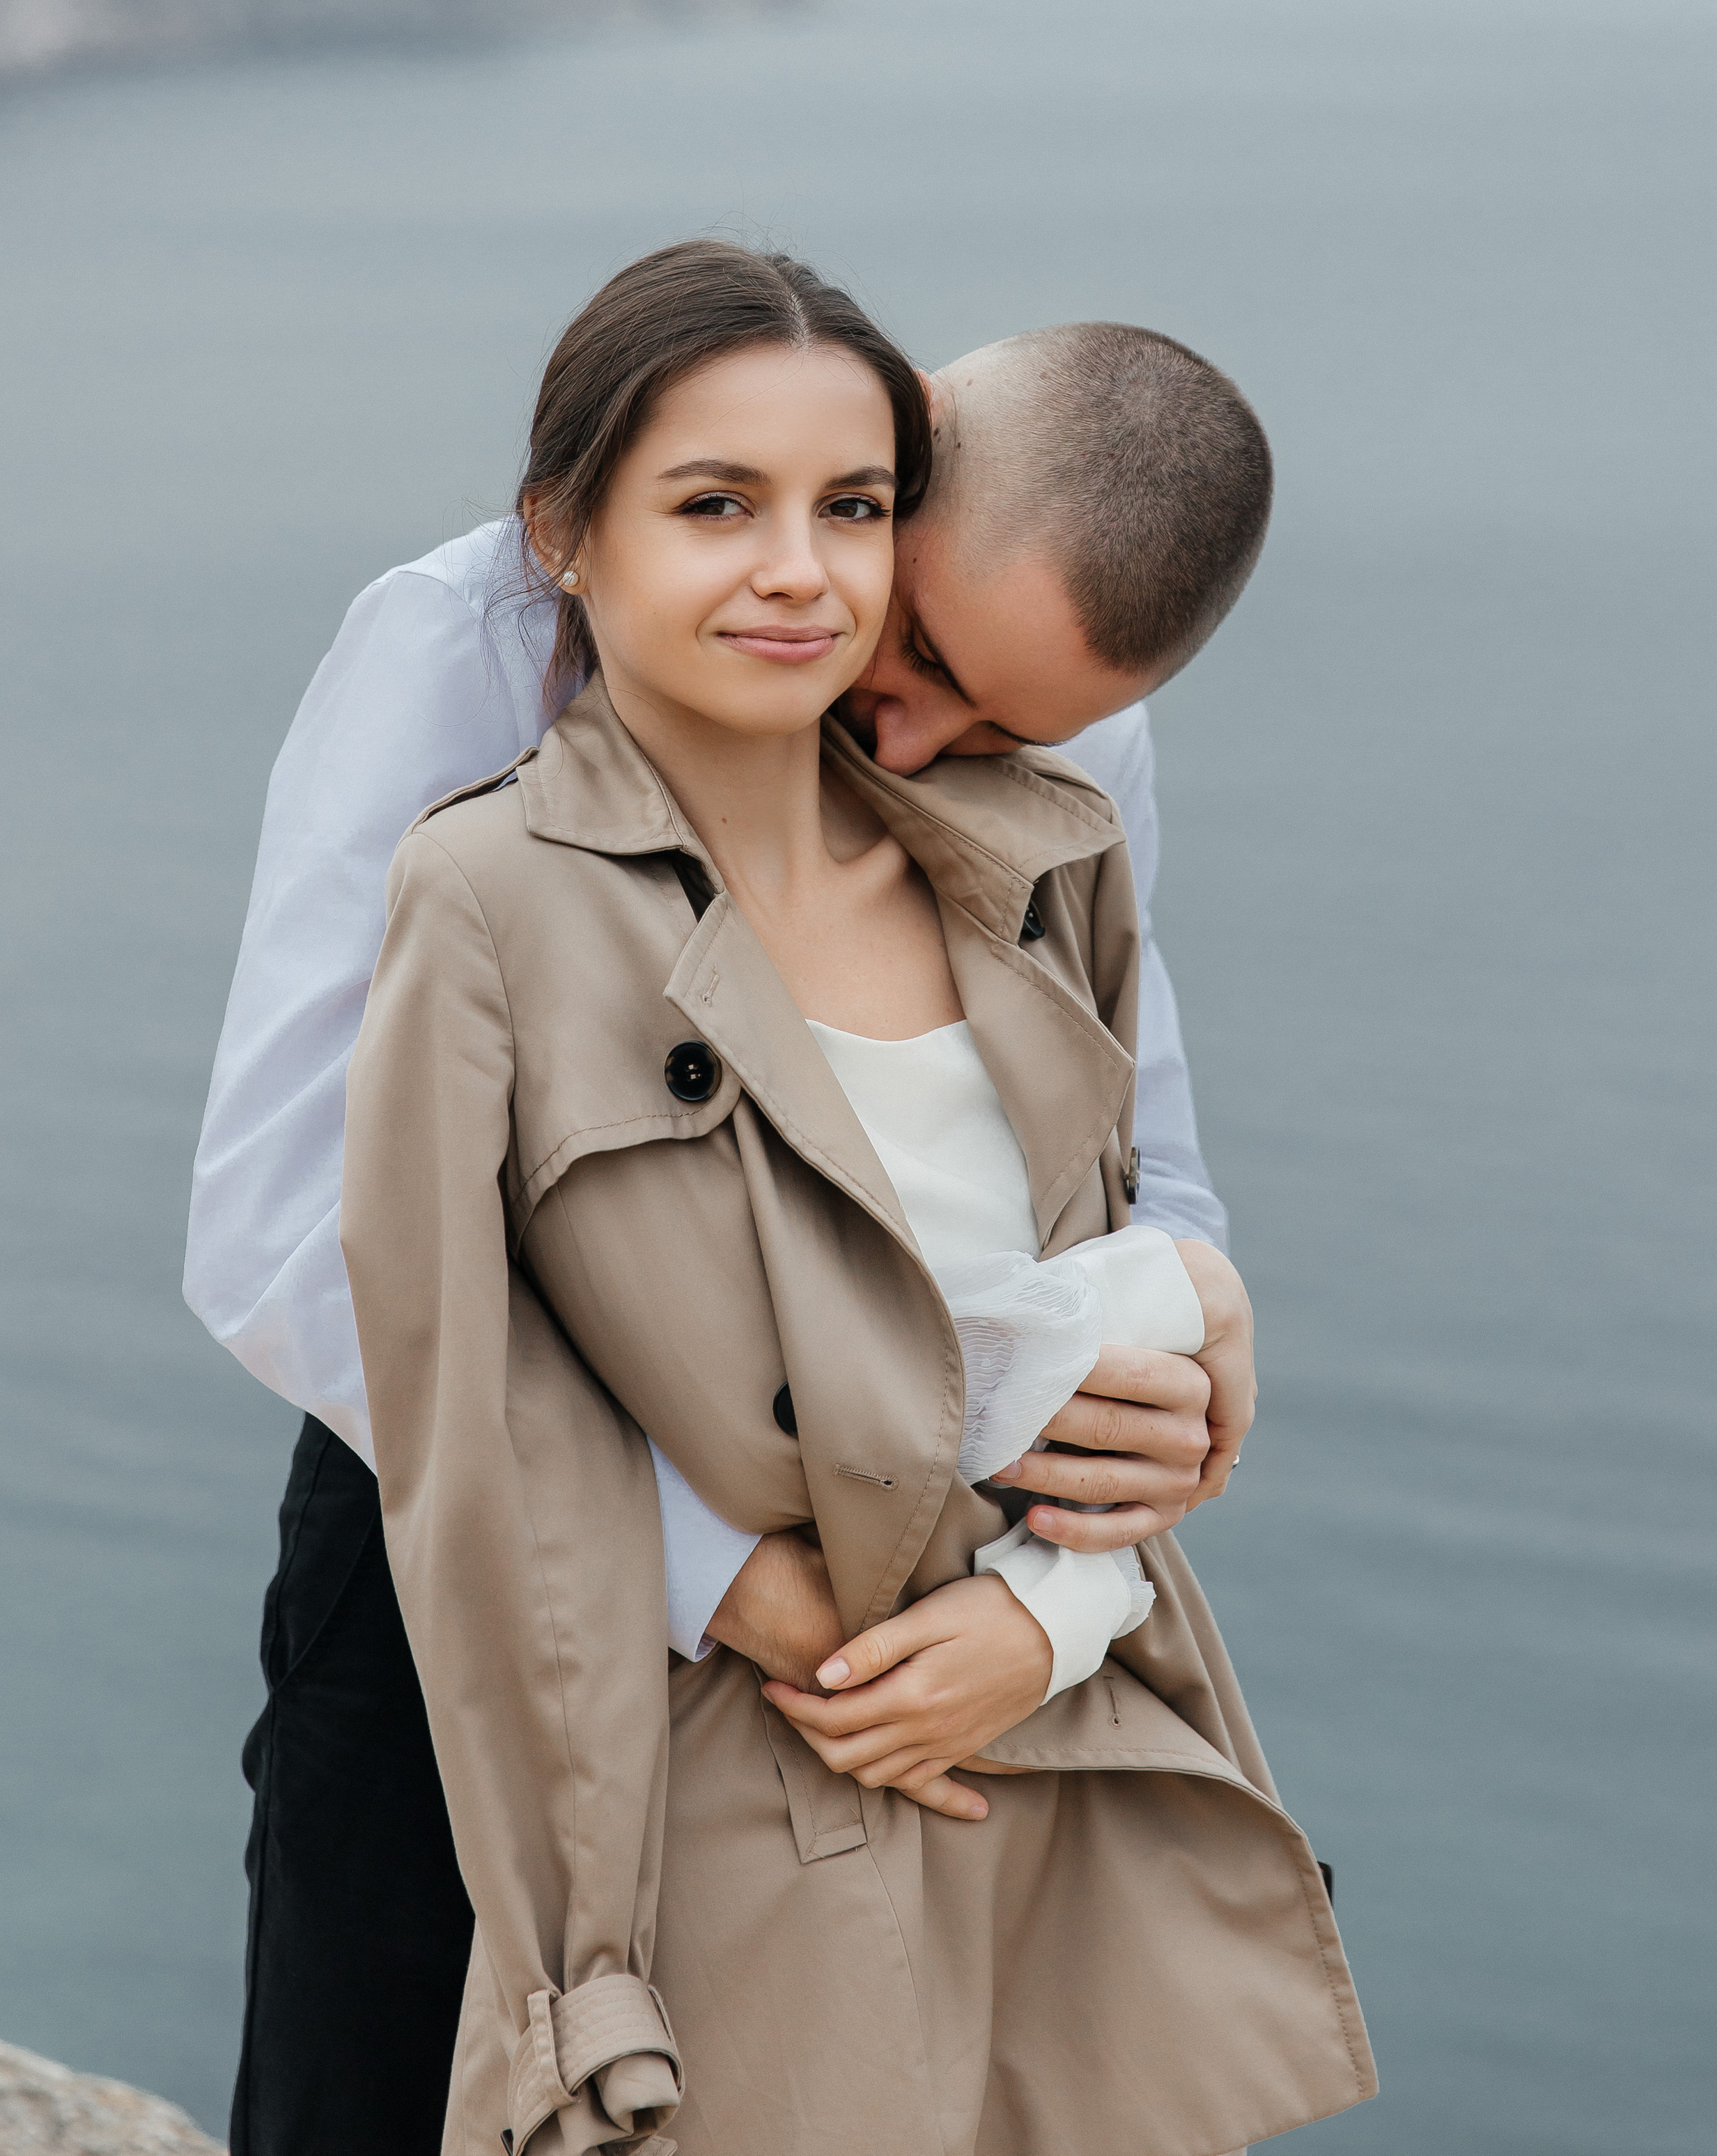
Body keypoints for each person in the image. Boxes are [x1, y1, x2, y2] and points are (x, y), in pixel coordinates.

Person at [187, 254, 1267, 2154]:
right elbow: (291, 1231)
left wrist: (1174, 1355)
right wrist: (709, 1582)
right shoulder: (463, 653)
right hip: (474, 1540)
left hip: (898, 1600)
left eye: (1001, 729)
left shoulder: (1056, 694)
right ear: (896, 458)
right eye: (918, 657)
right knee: (371, 2072)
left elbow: (1122, 1151)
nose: (916, 736)